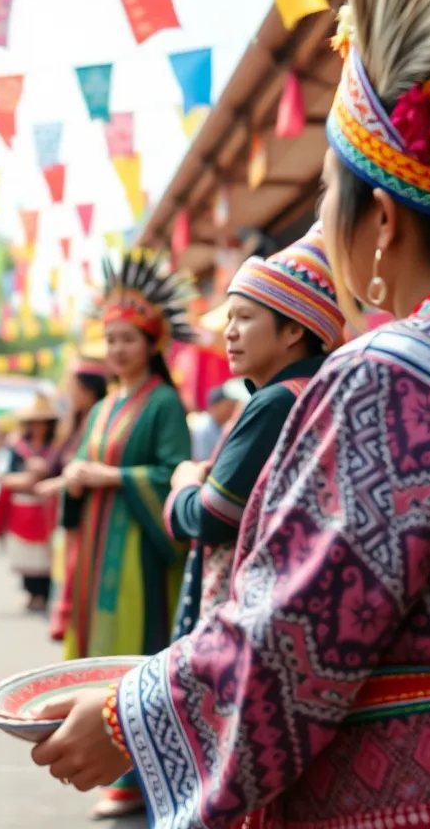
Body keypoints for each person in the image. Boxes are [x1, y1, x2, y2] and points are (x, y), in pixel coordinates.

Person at [29, 0, 430, 826]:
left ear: (382, 219)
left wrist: (125, 719)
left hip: (417, 799)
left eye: (328, 189)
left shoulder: (394, 379)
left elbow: (297, 634)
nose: (325, 214)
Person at [42, 250, 195, 819]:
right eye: (110, 340)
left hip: (137, 552)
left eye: (128, 339)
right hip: (97, 547)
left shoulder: (162, 404)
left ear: (152, 344)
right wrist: (73, 481)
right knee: (99, 646)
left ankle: (139, 774)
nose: (118, 350)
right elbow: (81, 461)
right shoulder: (105, 406)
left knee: (135, 646)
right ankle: (111, 760)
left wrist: (110, 476)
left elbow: (175, 472)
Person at [167, 223, 342, 639]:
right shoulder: (316, 388)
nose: (229, 332)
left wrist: (182, 487)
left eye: (245, 318)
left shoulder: (278, 401)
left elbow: (213, 517)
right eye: (230, 318)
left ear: (295, 330)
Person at [41, 345, 109, 642]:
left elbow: (85, 468)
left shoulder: (97, 421)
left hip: (85, 513)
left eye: (75, 387)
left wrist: (54, 484)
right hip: (68, 511)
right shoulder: (74, 424)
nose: (70, 392)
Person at [0, 394, 60, 611]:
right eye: (34, 422)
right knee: (25, 551)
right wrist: (27, 479)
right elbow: (3, 476)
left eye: (43, 422)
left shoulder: (57, 447)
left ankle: (45, 593)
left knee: (46, 553)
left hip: (47, 505)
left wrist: (45, 474)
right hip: (22, 505)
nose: (38, 426)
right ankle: (29, 591)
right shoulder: (15, 448)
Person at [190, 386, 236, 461]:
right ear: (215, 406)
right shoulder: (202, 428)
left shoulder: (224, 425)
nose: (231, 409)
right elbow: (201, 460)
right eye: (227, 405)